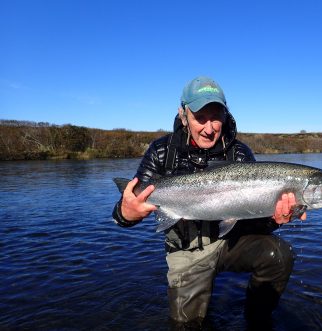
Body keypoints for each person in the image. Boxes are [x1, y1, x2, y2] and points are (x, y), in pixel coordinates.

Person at [112, 76, 306, 330]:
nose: (209, 127)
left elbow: (254, 221)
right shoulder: (162, 151)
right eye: (200, 117)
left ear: (225, 116)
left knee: (279, 254)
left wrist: (275, 218)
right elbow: (124, 209)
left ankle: (257, 320)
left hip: (231, 241)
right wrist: (127, 213)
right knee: (187, 325)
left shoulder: (239, 153)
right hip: (186, 250)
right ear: (184, 115)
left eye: (216, 117)